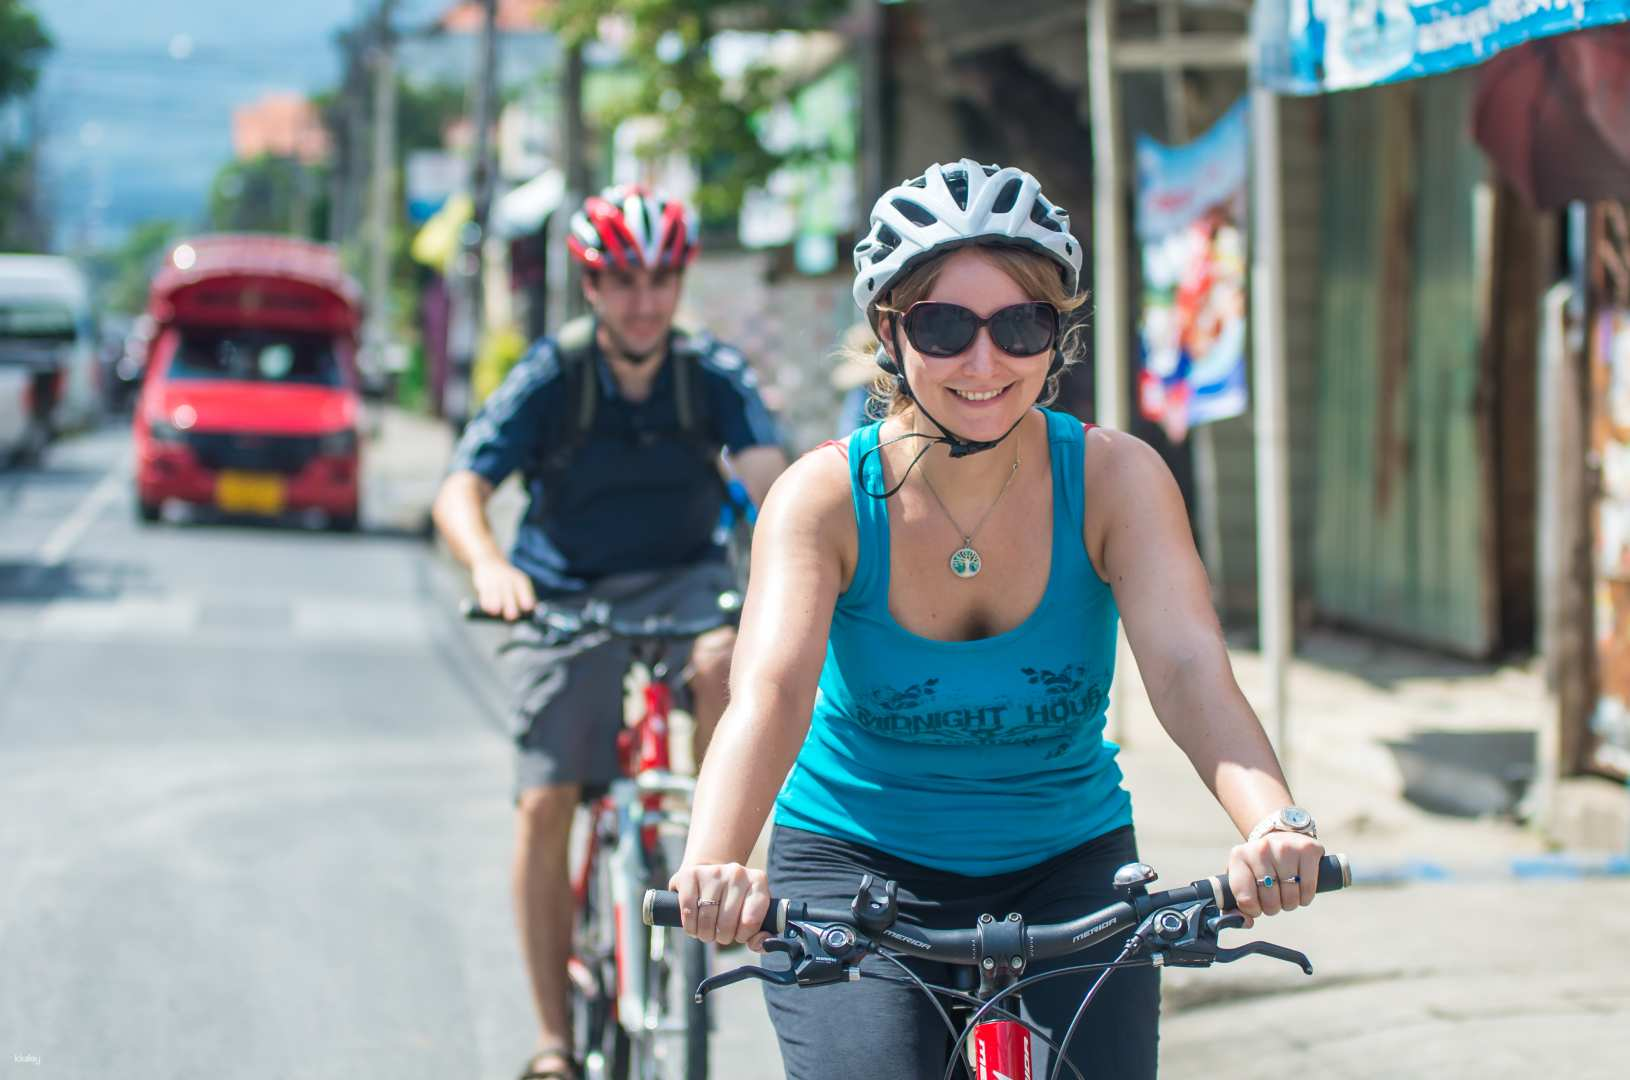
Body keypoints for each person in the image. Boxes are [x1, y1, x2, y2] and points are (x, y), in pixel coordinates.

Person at [665, 160, 1326, 1078]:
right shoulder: (823, 497)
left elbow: (1187, 670)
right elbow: (770, 694)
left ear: (1058, 334)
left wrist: (1275, 824)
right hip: (856, 869)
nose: (985, 364)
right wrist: (716, 860)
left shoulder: (1116, 478)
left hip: (1070, 864)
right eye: (945, 327)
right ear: (890, 332)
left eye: (1020, 326)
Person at [431, 184, 788, 1080]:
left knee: (729, 664)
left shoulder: (709, 373)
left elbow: (772, 484)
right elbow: (460, 490)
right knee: (547, 797)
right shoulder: (554, 375)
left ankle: (711, 856)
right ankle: (553, 1038)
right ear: (591, 286)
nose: (644, 301)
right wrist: (490, 567)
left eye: (661, 280)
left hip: (687, 583)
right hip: (564, 595)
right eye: (623, 281)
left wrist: (788, 566)